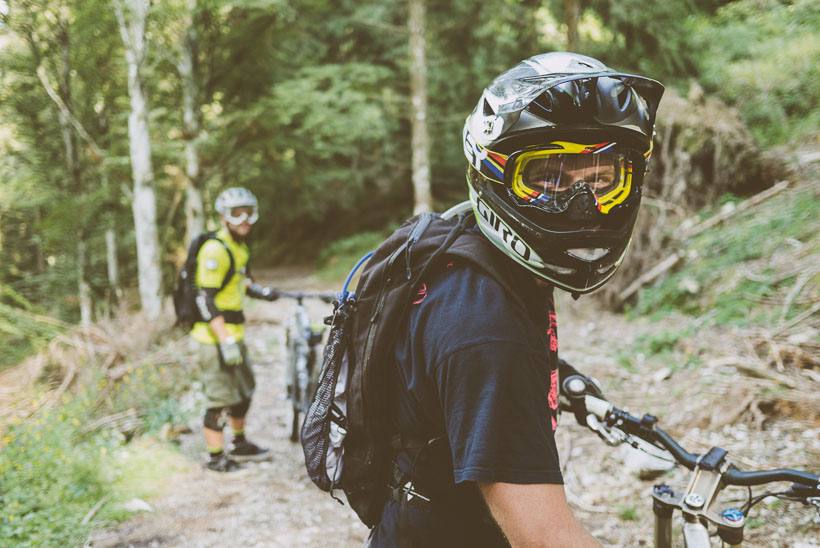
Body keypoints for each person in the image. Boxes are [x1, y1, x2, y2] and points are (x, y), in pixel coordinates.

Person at [367, 52, 664, 546]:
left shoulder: (473, 256)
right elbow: (545, 537)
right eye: (547, 179)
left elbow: (465, 369)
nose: (581, 207)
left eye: (602, 178)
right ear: (494, 174)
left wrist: (561, 380)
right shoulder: (485, 328)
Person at [191, 187, 280, 472]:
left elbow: (240, 281)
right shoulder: (214, 249)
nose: (244, 219)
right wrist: (224, 339)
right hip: (214, 339)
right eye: (236, 213)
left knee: (243, 392)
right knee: (219, 399)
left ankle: (239, 444)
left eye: (249, 212)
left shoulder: (239, 247)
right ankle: (216, 458)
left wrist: (261, 291)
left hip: (234, 335)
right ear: (224, 216)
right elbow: (205, 298)